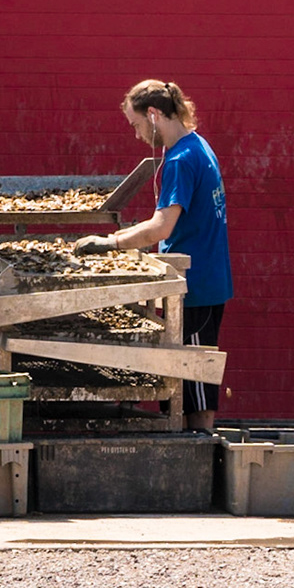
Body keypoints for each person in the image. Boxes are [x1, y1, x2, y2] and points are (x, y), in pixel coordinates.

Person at [75, 80, 232, 432]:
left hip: (196, 287)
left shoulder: (180, 159)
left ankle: (201, 451)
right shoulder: (199, 145)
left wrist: (110, 243)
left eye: (137, 125)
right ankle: (194, 449)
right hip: (202, 280)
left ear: (154, 114)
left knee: (194, 377)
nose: (137, 134)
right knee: (187, 376)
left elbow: (161, 227)